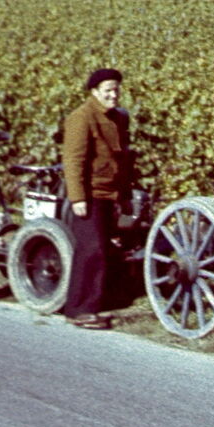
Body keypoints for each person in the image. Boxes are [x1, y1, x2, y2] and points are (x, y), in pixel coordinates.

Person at [59, 66, 134, 331]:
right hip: (90, 195)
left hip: (109, 193)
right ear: (94, 92)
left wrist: (125, 196)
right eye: (108, 91)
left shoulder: (118, 118)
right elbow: (73, 160)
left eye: (117, 90)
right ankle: (79, 310)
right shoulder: (81, 118)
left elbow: (122, 159)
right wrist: (78, 197)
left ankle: (95, 303)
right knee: (92, 252)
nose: (114, 95)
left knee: (105, 249)